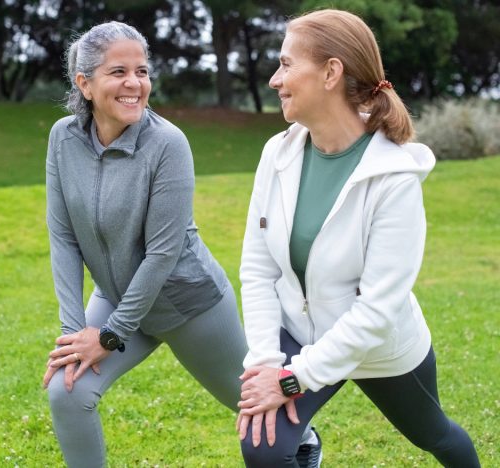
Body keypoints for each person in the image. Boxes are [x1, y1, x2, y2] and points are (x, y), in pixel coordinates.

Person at [41, 21, 318, 468]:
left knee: (257, 406)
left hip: (190, 307)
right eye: (118, 72)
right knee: (67, 389)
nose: (134, 83)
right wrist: (76, 334)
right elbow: (63, 237)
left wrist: (109, 335)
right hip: (115, 298)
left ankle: (306, 440)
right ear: (84, 84)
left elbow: (162, 254)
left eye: (142, 71)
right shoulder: (63, 139)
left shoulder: (168, 144)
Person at [236, 9, 480, 468]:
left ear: (331, 72)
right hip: (298, 335)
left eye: (287, 64)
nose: (274, 79)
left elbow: (377, 310)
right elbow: (258, 267)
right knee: (264, 449)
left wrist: (292, 380)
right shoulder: (278, 153)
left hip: (377, 348)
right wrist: (269, 360)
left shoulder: (394, 176)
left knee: (438, 436)